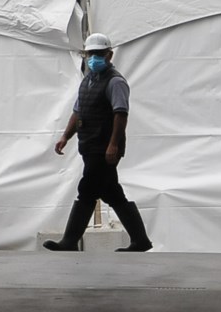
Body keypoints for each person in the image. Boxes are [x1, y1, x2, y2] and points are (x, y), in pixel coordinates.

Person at [44, 33, 153, 253]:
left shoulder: (115, 82)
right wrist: (66, 136)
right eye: (90, 54)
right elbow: (78, 111)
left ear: (109, 55)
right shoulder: (88, 80)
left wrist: (113, 145)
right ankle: (140, 240)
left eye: (98, 54)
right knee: (111, 192)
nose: (93, 58)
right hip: (89, 145)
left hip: (104, 148)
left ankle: (70, 240)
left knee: (86, 189)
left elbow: (120, 115)